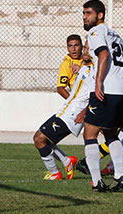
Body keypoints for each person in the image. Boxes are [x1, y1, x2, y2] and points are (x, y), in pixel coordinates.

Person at [82, 0, 123, 192]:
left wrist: (98, 82)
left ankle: (97, 181)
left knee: (89, 133)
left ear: (100, 15)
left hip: (109, 89)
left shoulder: (96, 32)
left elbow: (104, 55)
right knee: (110, 133)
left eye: (88, 13)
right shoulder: (117, 36)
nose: (84, 17)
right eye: (83, 13)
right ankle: (119, 175)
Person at [34, 41, 94, 180]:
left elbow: (96, 95)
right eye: (84, 47)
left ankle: (55, 173)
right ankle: (67, 162)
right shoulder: (86, 67)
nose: (84, 51)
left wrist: (84, 112)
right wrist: (79, 69)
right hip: (67, 110)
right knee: (44, 139)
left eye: (88, 49)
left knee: (39, 139)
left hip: (74, 114)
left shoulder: (96, 71)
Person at [57, 34, 84, 99]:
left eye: (76, 45)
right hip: (81, 98)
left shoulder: (89, 60)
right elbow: (60, 88)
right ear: (67, 48)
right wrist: (72, 102)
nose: (73, 49)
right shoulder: (67, 64)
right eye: (70, 46)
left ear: (82, 47)